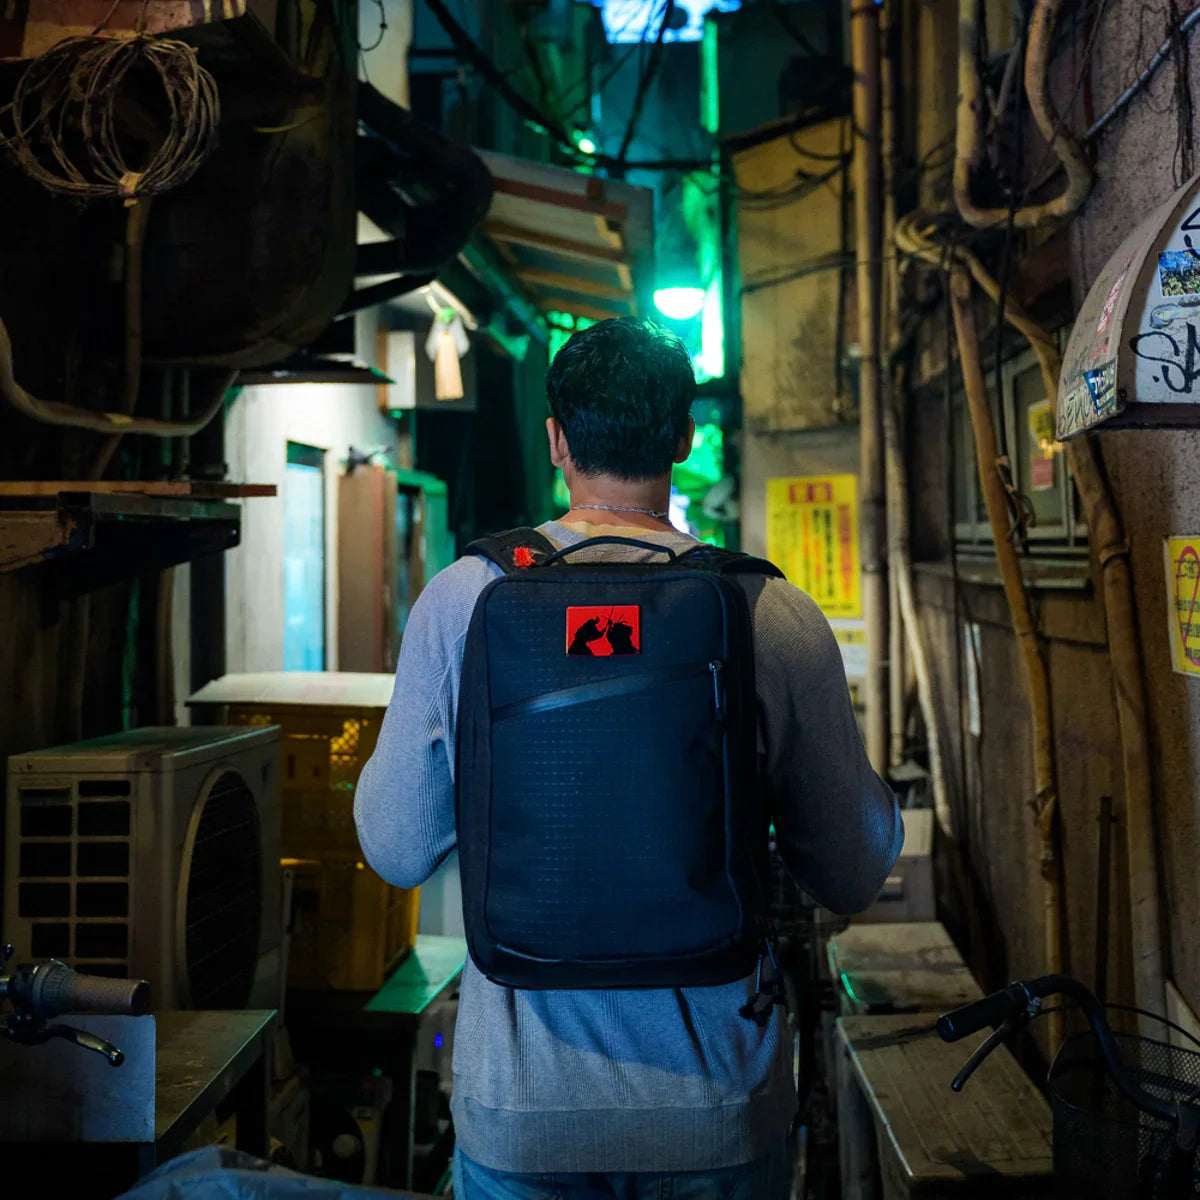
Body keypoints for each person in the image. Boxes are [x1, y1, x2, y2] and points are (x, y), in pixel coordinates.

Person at [354, 317, 902, 1200]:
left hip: (522, 1109)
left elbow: (395, 845)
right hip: (719, 1106)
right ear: (684, 437)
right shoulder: (770, 611)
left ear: (558, 439)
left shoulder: (464, 600)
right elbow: (853, 867)